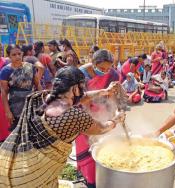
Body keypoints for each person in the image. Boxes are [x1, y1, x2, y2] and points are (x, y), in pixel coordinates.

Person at [0, 66, 125, 187]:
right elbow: (101, 128)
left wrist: (105, 91)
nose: (82, 90)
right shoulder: (73, 116)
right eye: (81, 87)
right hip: (33, 177)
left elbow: (81, 97)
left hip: (9, 162)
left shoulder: (40, 97)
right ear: (75, 88)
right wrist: (116, 119)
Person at [77, 49, 123, 187]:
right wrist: (92, 121)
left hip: (103, 110)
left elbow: (113, 96)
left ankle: (106, 176)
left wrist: (115, 112)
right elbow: (80, 99)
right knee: (87, 148)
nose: (105, 71)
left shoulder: (113, 74)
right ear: (93, 63)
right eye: (102, 68)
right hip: (83, 114)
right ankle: (91, 180)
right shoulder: (80, 74)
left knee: (105, 145)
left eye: (109, 68)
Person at [0, 45, 42, 131]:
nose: (17, 56)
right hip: (15, 107)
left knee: (32, 132)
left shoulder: (30, 67)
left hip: (31, 105)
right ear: (9, 56)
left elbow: (38, 85)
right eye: (14, 55)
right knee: (17, 132)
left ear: (22, 53)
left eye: (19, 54)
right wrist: (8, 111)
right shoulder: (5, 71)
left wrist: (42, 103)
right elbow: (4, 92)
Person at [0, 44, 10, 144]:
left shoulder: (5, 61)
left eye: (1, 49)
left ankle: (4, 137)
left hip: (2, 93)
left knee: (3, 116)